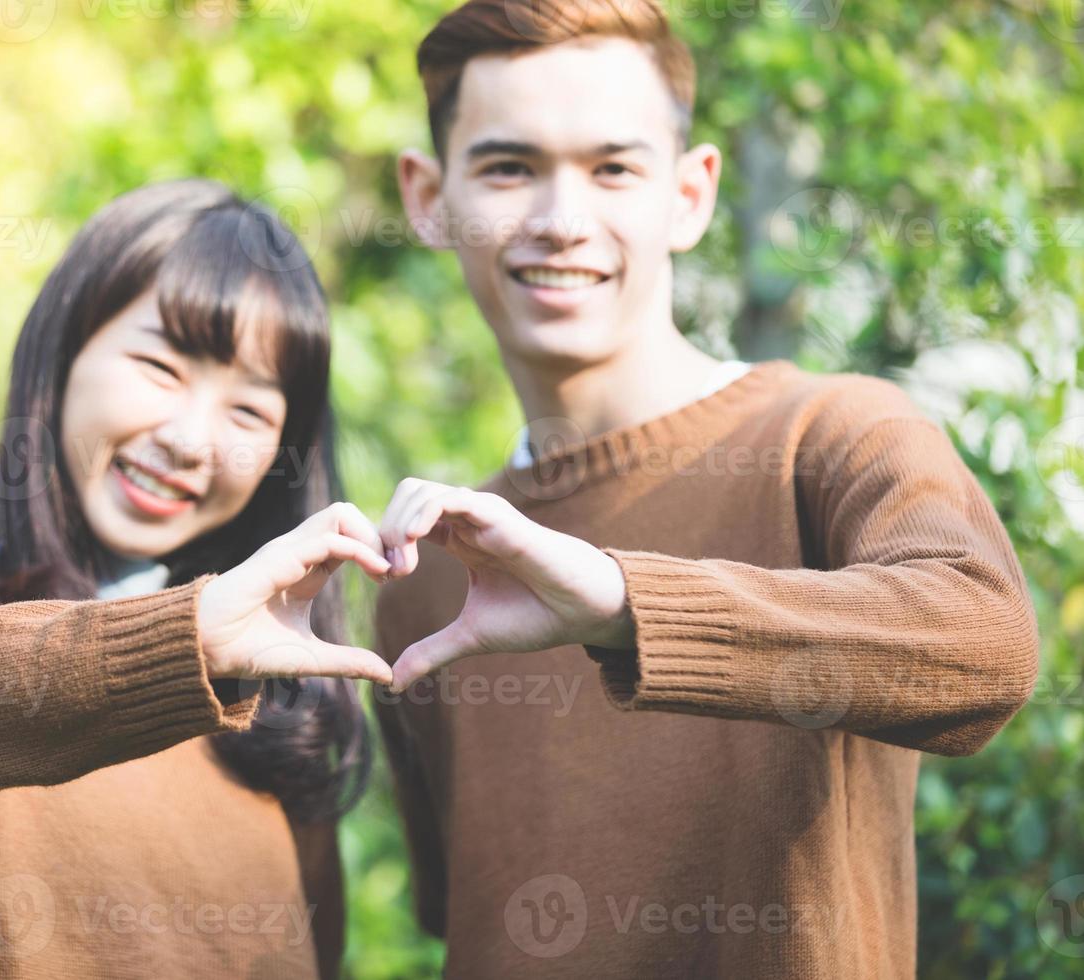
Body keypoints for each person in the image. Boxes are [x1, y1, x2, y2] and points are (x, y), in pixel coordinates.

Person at [371, 2, 1040, 977]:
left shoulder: (833, 433)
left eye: (613, 169)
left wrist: (621, 603)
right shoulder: (431, 575)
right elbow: (463, 907)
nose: (562, 221)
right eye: (510, 167)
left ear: (690, 194)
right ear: (430, 196)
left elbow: (986, 643)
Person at [0, 178, 394, 979]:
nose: (190, 440)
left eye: (249, 412)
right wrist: (185, 644)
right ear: (64, 353)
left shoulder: (271, 701)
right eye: (162, 366)